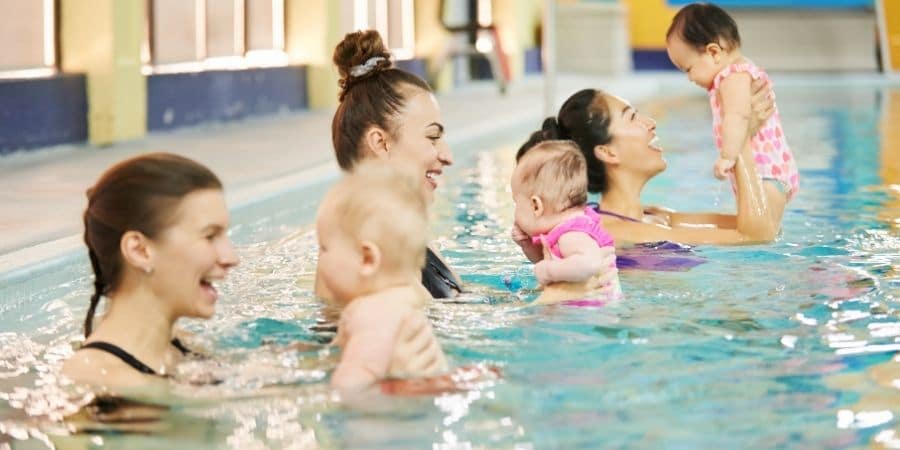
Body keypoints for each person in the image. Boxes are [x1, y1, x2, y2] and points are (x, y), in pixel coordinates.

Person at [517, 82, 780, 246]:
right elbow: (756, 238)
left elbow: (760, 227)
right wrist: (739, 142)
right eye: (632, 117)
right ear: (607, 152)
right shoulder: (616, 231)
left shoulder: (654, 216)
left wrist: (739, 121)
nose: (650, 122)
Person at [61, 153, 239, 389]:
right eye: (210, 236)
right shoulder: (95, 380)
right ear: (140, 250)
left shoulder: (181, 345)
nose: (232, 258)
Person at [327, 29, 461, 300]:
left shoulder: (404, 237)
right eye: (432, 137)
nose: (448, 156)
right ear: (381, 143)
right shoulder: (378, 255)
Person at [316, 160, 448, 392]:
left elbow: (350, 387)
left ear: (368, 259)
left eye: (324, 248)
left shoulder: (372, 312)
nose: (320, 260)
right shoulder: (403, 299)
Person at [666, 2, 798, 226]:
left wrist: (727, 156)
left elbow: (738, 115)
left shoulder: (732, 75)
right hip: (765, 172)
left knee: (761, 234)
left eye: (688, 69)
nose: (689, 78)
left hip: (766, 173)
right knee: (758, 229)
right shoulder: (733, 74)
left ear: (713, 52)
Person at [510, 140, 621, 303]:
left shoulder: (572, 234)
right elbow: (551, 260)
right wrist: (527, 245)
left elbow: (588, 265)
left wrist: (547, 271)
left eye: (516, 203)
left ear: (536, 206)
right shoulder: (565, 230)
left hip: (590, 317)